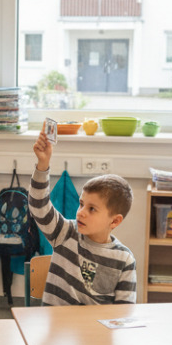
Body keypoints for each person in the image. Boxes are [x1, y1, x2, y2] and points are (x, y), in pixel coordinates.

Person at [29, 130, 136, 304]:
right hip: (57, 327)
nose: (81, 212)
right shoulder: (65, 233)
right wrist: (43, 164)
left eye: (92, 209)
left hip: (94, 330)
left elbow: (123, 311)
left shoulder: (124, 260)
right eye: (81, 204)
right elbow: (38, 206)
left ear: (115, 221)